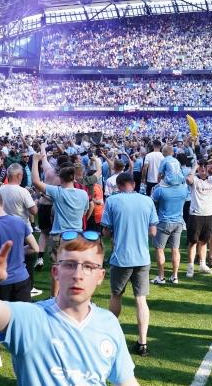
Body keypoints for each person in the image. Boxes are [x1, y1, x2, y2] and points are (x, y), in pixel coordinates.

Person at [0, 234, 160, 386]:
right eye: (69, 265)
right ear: (56, 272)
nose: (78, 274)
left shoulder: (108, 323)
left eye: (88, 266)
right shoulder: (32, 319)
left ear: (100, 276)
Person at [0, 191, 39, 368]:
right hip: (22, 279)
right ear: (1, 203)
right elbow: (35, 247)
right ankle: (28, 356)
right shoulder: (19, 222)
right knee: (23, 320)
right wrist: (17, 251)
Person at [101, 172, 159, 356]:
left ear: (118, 186)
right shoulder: (147, 201)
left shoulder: (112, 201)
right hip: (142, 257)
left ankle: (111, 334)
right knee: (141, 299)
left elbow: (106, 232)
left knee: (116, 295)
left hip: (121, 257)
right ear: (133, 184)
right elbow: (153, 231)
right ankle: (143, 342)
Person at [31, 153, 89, 297]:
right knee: (76, 267)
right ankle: (77, 295)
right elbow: (85, 212)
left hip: (59, 236)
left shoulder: (58, 192)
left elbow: (36, 181)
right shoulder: (83, 194)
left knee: (57, 267)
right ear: (74, 178)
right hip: (77, 236)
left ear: (60, 179)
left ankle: (54, 298)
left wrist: (35, 161)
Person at [0, 163, 40, 296]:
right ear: (18, 175)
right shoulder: (22, 191)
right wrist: (36, 200)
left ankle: (9, 285)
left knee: (9, 259)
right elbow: (34, 211)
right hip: (22, 230)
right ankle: (29, 287)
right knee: (27, 259)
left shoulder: (0, 189)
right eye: (22, 175)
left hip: (4, 229)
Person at [185, 158, 212, 277]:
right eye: (201, 166)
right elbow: (188, 180)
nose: (203, 168)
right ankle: (190, 267)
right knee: (193, 242)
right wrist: (195, 166)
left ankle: (202, 264)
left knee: (204, 242)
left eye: (205, 165)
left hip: (208, 215)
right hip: (195, 215)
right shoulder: (195, 179)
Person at [151, 174, 189, 284]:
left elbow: (151, 202)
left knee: (159, 249)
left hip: (164, 222)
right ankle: (175, 276)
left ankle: (161, 277)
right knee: (175, 249)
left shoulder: (160, 190)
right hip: (178, 222)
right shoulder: (183, 190)